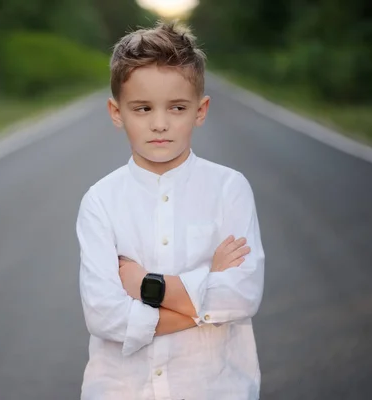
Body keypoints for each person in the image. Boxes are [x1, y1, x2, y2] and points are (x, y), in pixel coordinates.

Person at [75, 20, 265, 400]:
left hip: (215, 388)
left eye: (177, 107)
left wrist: (147, 284)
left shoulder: (229, 189)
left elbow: (242, 295)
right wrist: (203, 291)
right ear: (117, 113)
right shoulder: (100, 201)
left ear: (200, 109)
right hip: (121, 390)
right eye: (142, 108)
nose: (160, 124)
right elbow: (103, 315)